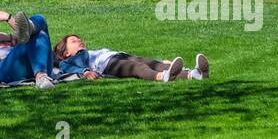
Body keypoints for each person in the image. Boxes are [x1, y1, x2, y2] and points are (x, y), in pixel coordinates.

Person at [53, 33, 209, 82]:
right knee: (138, 68)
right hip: (108, 66)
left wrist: (162, 61)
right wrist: (86, 71)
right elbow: (68, 67)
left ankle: (194, 74)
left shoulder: (88, 52)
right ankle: (163, 77)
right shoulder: (69, 60)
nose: (79, 41)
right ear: (65, 52)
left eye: (80, 39)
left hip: (119, 56)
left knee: (150, 62)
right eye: (74, 41)